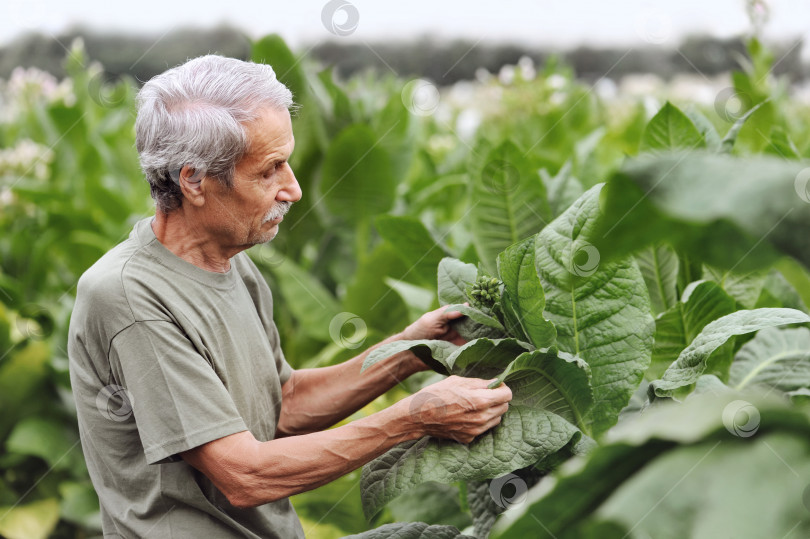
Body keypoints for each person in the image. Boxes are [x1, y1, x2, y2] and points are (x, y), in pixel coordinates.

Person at [67, 55, 512, 538]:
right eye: (269, 170)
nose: (294, 189)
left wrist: (409, 352)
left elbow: (283, 404)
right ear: (193, 180)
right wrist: (413, 418)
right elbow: (243, 473)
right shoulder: (128, 297)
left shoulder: (232, 261)